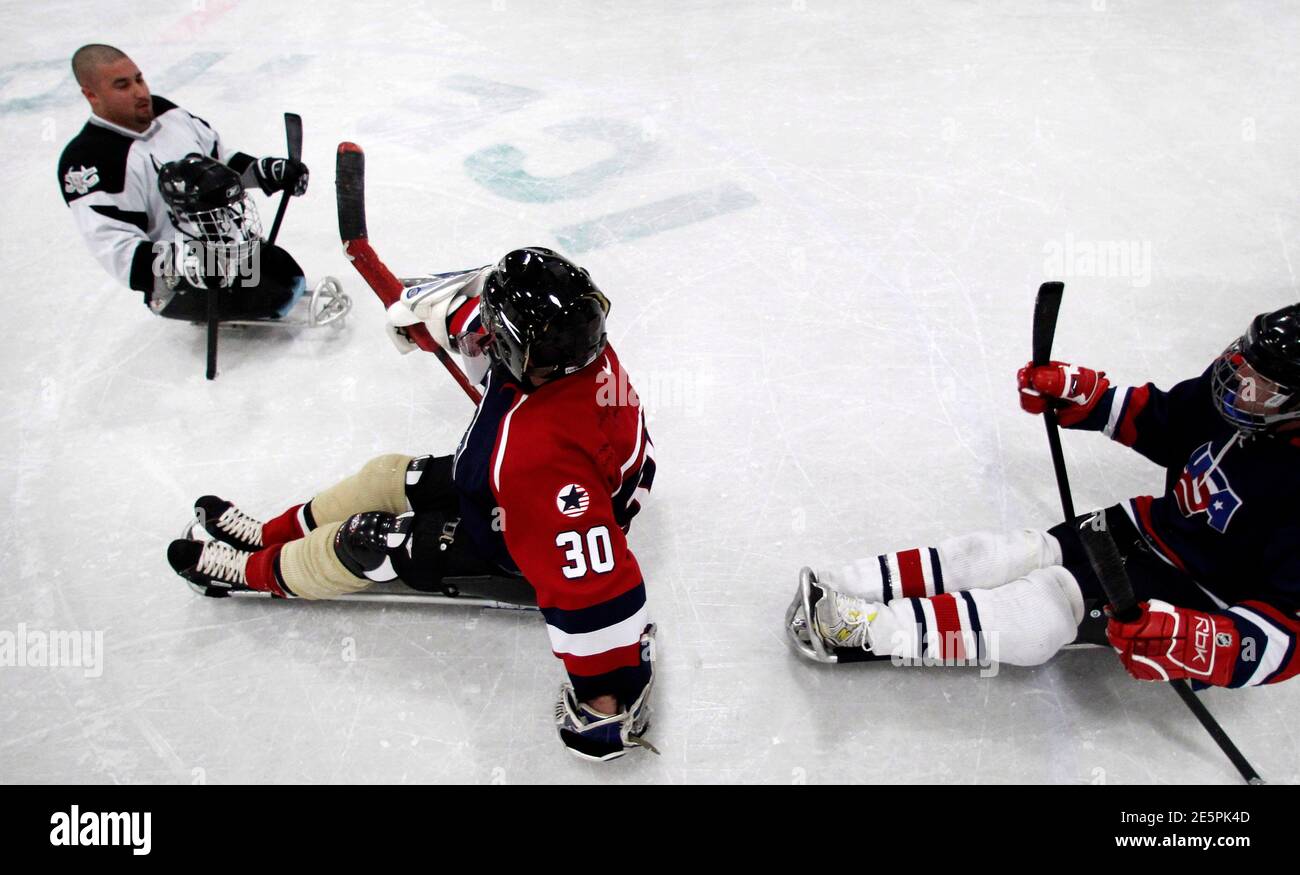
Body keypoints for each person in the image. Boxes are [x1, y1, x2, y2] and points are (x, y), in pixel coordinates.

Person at [166, 248, 660, 760]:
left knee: (367, 539)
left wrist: (610, 693)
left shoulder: (538, 459)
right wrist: (434, 318)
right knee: (385, 474)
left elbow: (591, 584)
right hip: (508, 483)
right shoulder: (575, 341)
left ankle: (254, 569)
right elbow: (491, 321)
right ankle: (270, 532)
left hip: (520, 529)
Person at [787, 303, 1300, 690]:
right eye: (1244, 364)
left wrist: (1203, 641)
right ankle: (843, 585)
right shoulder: (1238, 397)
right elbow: (1165, 420)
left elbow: (1288, 631)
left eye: (1263, 385)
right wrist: (1091, 399)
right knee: (1002, 553)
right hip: (1141, 527)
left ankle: (864, 628)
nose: (1240, 384)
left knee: (1045, 607)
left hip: (1200, 592)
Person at [57, 44, 310, 320]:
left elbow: (216, 163)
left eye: (139, 79)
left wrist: (263, 171)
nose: (140, 92)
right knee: (271, 292)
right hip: (177, 286)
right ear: (91, 94)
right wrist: (183, 264)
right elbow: (114, 246)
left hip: (228, 252)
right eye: (122, 86)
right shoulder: (88, 159)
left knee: (284, 274)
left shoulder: (167, 112)